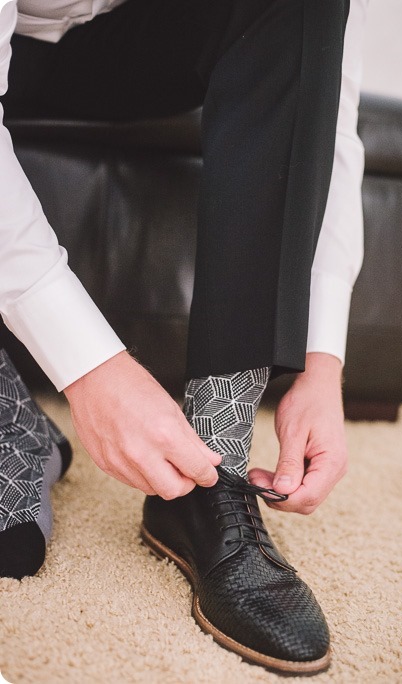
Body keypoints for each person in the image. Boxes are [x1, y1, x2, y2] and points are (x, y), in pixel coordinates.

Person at [0, 0, 368, 674]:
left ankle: (211, 473)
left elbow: (323, 104)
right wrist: (91, 367)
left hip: (139, 41)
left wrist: (323, 363)